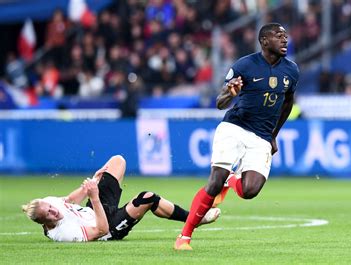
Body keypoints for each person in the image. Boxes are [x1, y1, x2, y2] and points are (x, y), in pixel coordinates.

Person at [174, 22, 299, 250]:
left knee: (250, 191)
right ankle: (184, 237)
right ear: (264, 41)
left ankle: (232, 179)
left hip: (261, 136)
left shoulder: (291, 70)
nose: (284, 40)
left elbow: (288, 102)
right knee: (214, 182)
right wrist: (231, 93)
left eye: (285, 36)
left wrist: (273, 135)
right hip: (235, 127)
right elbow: (220, 103)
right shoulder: (245, 65)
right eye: (278, 36)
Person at [22, 155, 221, 242]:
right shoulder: (63, 234)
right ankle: (196, 219)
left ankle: (194, 217)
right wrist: (95, 197)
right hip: (107, 227)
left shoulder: (50, 203)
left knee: (116, 162)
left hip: (95, 209)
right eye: (48, 214)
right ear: (45, 223)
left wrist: (93, 182)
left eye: (49, 206)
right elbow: (101, 230)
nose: (53, 210)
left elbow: (69, 201)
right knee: (147, 198)